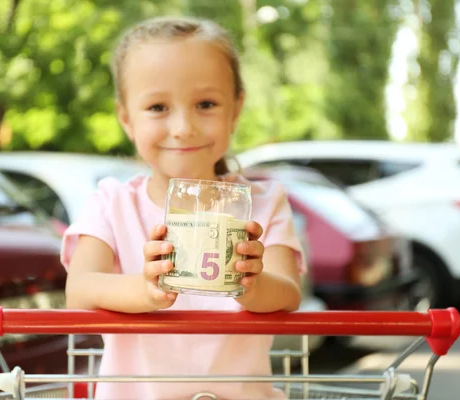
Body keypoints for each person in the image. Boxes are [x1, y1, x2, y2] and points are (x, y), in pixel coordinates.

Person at [60, 15, 306, 400]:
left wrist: (251, 284)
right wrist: (144, 291)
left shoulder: (265, 202)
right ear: (126, 118)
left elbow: (288, 292)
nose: (184, 127)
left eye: (205, 103)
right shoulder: (111, 203)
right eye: (158, 107)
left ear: (235, 109)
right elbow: (80, 291)